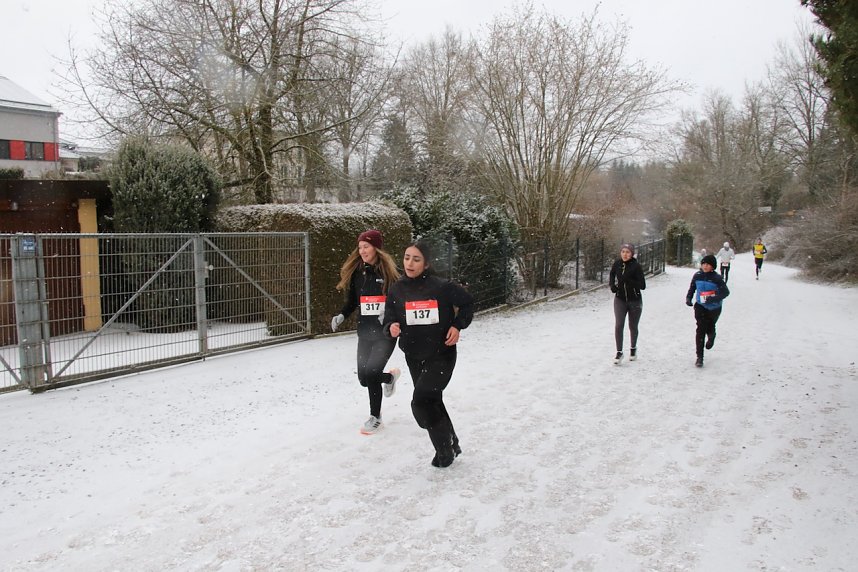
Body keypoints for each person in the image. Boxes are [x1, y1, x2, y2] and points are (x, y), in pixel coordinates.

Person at [382, 240, 474, 468]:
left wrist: (457, 325)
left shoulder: (441, 286)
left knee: (421, 402)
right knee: (432, 400)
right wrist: (391, 327)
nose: (410, 263)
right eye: (406, 257)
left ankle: (444, 451)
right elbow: (389, 317)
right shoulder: (397, 289)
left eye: (416, 259)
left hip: (441, 354)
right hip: (413, 355)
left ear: (426, 263)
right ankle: (452, 443)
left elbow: (467, 303)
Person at [331, 230, 402, 435]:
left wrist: (391, 318)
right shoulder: (357, 273)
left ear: (376, 248)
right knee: (364, 378)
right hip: (365, 332)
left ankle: (375, 417)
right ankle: (388, 379)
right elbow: (352, 301)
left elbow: (399, 300)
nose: (362, 251)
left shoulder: (389, 272)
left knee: (371, 373)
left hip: (385, 332)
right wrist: (342, 315)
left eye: (366, 247)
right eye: (360, 247)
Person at [685, 254, 730, 367]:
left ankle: (711, 335)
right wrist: (689, 298)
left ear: (713, 266)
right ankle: (699, 357)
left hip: (714, 308)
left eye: (708, 264)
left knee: (710, 326)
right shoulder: (697, 275)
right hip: (700, 306)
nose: (705, 266)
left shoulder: (717, 278)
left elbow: (725, 292)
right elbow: (692, 288)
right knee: (700, 329)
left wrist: (714, 298)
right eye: (703, 264)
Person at [608, 243, 646, 365]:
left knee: (633, 326)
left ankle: (633, 348)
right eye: (623, 251)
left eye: (627, 252)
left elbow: (642, 285)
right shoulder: (617, 264)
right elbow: (612, 274)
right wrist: (613, 285)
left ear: (632, 253)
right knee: (619, 325)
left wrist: (628, 280)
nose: (625, 254)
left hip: (634, 300)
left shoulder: (636, 266)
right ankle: (619, 352)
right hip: (620, 299)